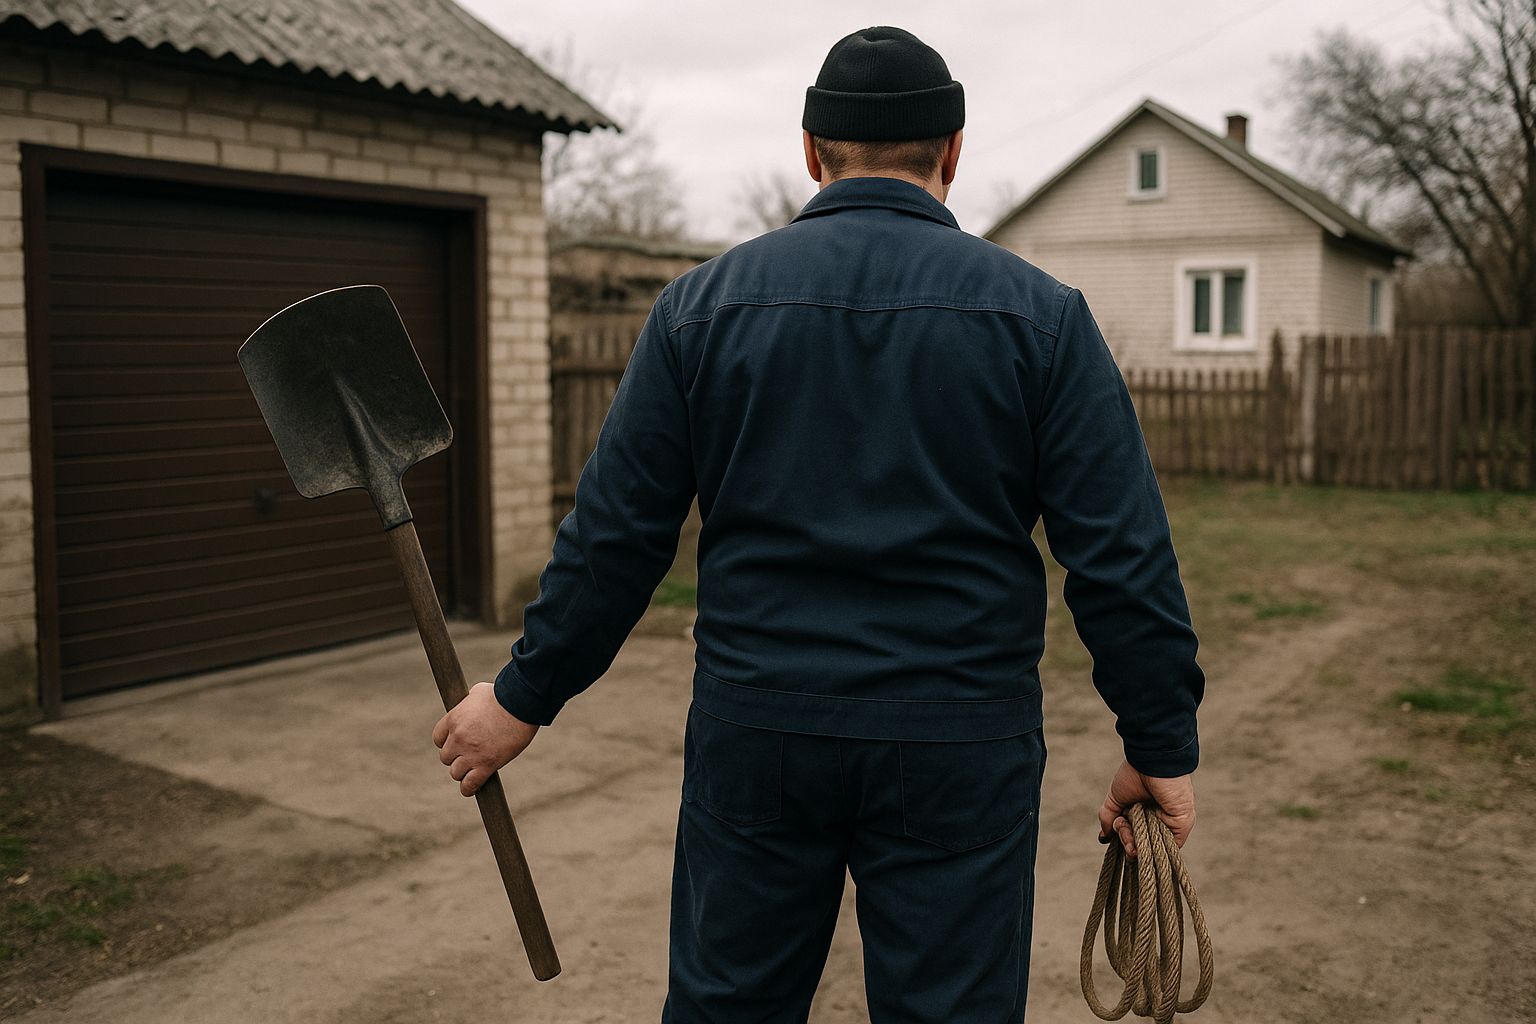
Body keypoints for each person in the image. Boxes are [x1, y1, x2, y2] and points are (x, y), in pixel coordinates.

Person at [432, 25, 1204, 1023]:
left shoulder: (699, 312)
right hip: (957, 744)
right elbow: (1122, 556)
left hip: (760, 735)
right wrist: (1159, 740)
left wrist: (524, 696)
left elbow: (617, 534)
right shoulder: (1042, 318)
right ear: (953, 151)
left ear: (811, 152)